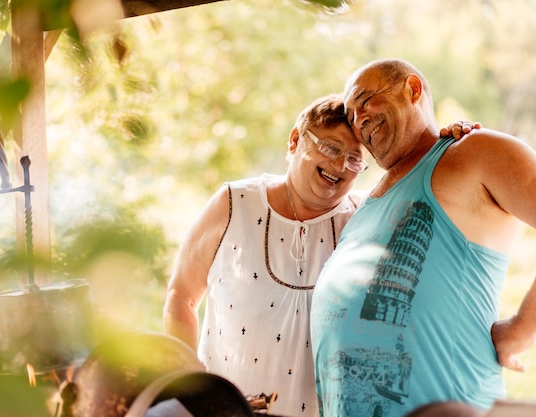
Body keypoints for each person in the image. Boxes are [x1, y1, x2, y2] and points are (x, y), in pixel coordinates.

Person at [162, 91, 474, 417]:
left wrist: (447, 146)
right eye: (330, 147)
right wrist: (192, 386)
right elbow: (181, 296)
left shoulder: (367, 216)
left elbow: (436, 192)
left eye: (355, 158)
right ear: (295, 140)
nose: (340, 165)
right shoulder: (233, 203)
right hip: (225, 410)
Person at [310, 58, 536, 417]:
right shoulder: (364, 206)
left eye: (365, 100)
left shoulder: (474, 152)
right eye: (351, 115)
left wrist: (521, 329)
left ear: (412, 90)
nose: (359, 119)